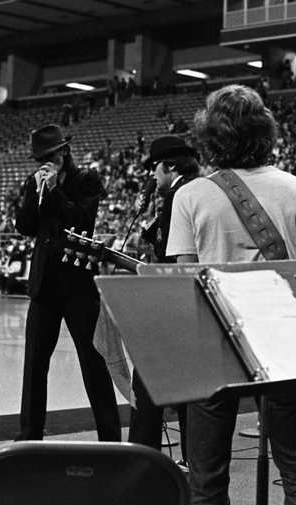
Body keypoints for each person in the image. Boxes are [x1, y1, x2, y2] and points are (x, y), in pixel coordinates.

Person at [167, 84, 296, 505]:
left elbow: (186, 282)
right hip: (281, 342)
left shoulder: (190, 195)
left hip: (215, 342)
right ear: (265, 132)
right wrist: (293, 306)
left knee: (206, 476)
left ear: (210, 138)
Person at [14, 124, 121, 441]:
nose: (44, 163)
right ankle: (29, 436)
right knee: (34, 363)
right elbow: (24, 226)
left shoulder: (85, 180)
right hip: (44, 285)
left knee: (93, 361)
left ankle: (110, 437)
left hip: (78, 284)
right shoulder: (35, 184)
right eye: (40, 159)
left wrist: (55, 191)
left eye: (49, 156)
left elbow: (81, 219)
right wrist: (36, 192)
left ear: (63, 152)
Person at [129, 135, 200, 468]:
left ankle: (141, 456)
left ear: (170, 166)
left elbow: (171, 255)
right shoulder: (198, 187)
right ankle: (190, 455)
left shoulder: (177, 195)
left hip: (177, 296)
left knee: (147, 374)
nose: (152, 177)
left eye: (154, 168)